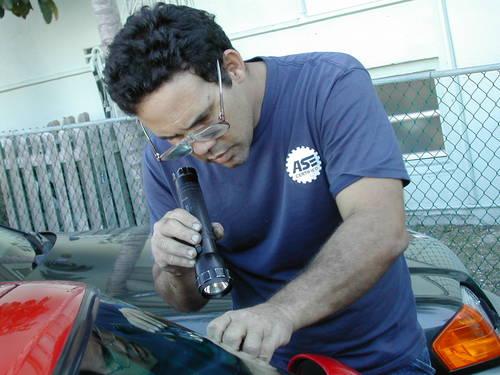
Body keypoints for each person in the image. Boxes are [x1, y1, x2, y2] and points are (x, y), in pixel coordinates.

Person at [103, 3, 435, 374]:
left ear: (233, 67)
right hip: (269, 364)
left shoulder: (329, 85)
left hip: (382, 359)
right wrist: (174, 268)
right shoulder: (164, 158)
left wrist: (282, 313)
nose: (199, 149)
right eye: (175, 137)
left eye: (205, 120)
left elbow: (380, 227)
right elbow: (186, 302)